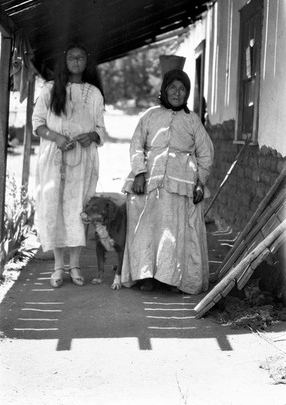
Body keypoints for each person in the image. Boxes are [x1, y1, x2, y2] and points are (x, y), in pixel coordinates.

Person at [121, 69, 214, 294]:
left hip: (181, 183)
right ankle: (146, 275)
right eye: (172, 87)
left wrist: (200, 182)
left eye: (182, 89)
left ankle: (171, 278)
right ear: (164, 90)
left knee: (175, 229)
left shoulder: (192, 121)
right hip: (150, 180)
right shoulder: (151, 116)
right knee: (146, 226)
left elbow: (206, 153)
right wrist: (140, 173)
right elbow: (136, 145)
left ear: (187, 93)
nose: (177, 92)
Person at [32, 42, 106, 288]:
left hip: (82, 159)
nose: (76, 61)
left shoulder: (94, 93)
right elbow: (38, 123)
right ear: (64, 61)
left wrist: (92, 136)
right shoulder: (50, 89)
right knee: (54, 208)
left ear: (87, 62)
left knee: (78, 210)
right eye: (72, 57)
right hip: (54, 157)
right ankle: (57, 266)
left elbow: (100, 129)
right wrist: (57, 137)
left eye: (81, 57)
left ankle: (74, 265)